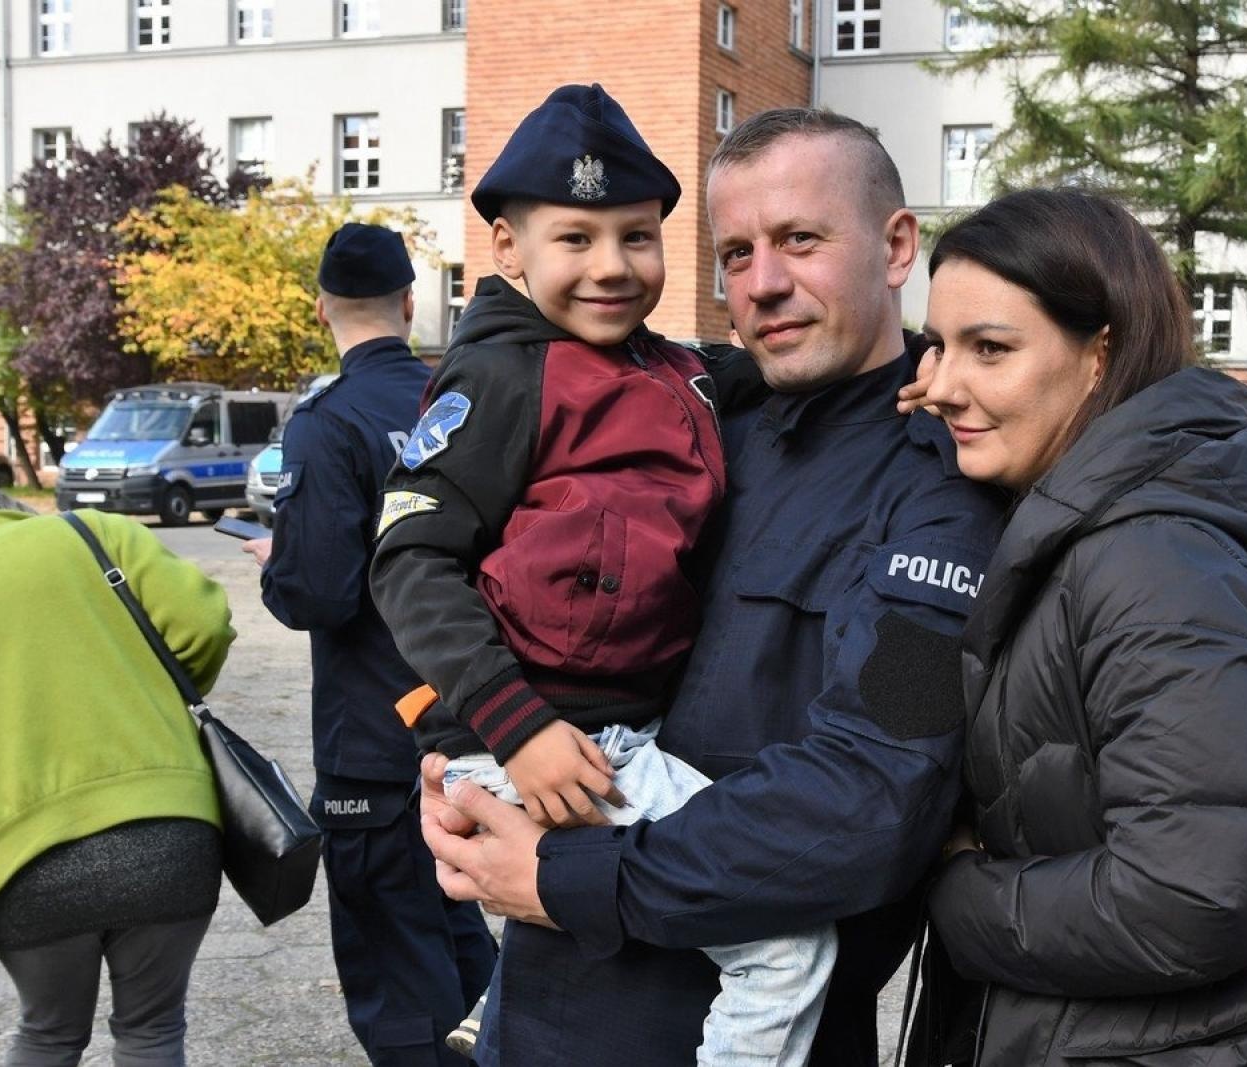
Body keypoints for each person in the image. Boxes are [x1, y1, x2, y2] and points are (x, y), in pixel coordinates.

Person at [406, 108, 1008, 1066]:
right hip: (542, 1012)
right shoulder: (698, 421)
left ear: (897, 247)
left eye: (800, 241)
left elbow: (873, 801)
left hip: (725, 1028)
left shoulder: (944, 499)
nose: (764, 284)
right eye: (736, 253)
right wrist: (479, 753)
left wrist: (569, 873)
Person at [898, 188, 1247, 1063]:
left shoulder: (1150, 561)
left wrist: (954, 888)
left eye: (989, 349)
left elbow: (1194, 898)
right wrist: (907, 479)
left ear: (1100, 354)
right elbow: (908, 712)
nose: (942, 385)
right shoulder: (1038, 524)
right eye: (937, 346)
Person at [370, 83, 836, 1066]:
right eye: (574, 239)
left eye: (636, 236)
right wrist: (517, 728)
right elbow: (410, 562)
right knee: (785, 941)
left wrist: (933, 363)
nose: (612, 267)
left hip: (600, 729)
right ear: (507, 248)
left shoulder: (676, 370)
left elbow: (777, 364)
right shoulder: (501, 376)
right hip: (552, 734)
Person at [243, 223, 497, 1066]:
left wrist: (280, 562)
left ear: (321, 309)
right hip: (473, 720)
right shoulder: (456, 401)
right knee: (461, 946)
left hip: (373, 744)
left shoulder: (327, 419)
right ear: (410, 303)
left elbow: (317, 591)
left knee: (397, 976)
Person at [0, 496, 233, 1066]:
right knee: (152, 1029)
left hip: (23, 851)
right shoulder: (93, 533)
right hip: (169, 824)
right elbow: (205, 624)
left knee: (47, 1034)